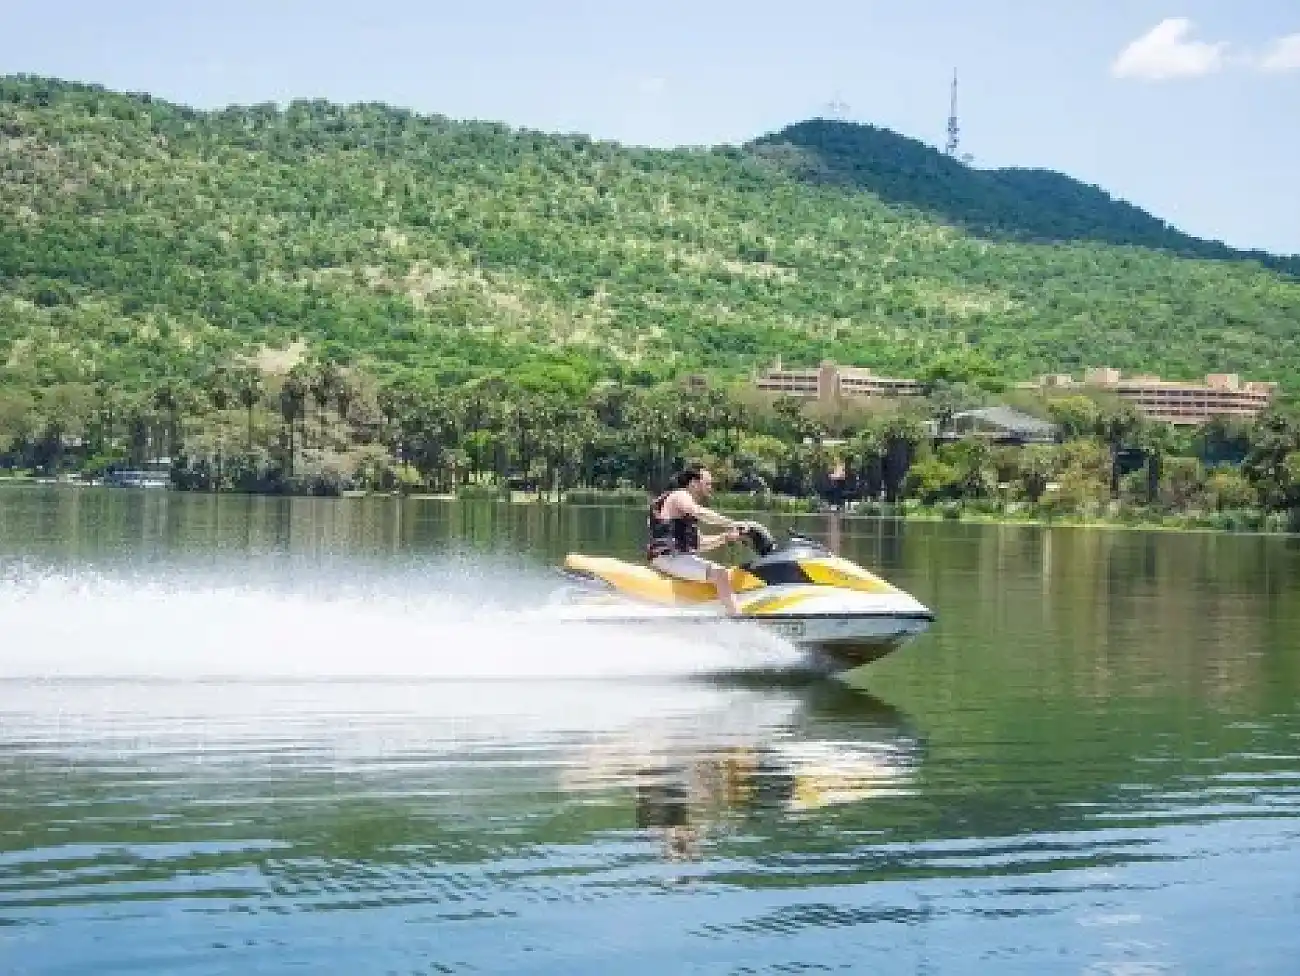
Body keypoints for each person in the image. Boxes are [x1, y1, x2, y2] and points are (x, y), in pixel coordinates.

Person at [646, 464, 748, 614]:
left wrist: (725, 537)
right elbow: (699, 512)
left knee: (725, 572)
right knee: (720, 573)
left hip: (677, 558)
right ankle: (738, 618)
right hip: (668, 558)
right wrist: (732, 523)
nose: (710, 487)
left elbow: (699, 544)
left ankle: (722, 609)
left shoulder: (685, 509)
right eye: (707, 483)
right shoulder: (680, 496)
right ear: (693, 483)